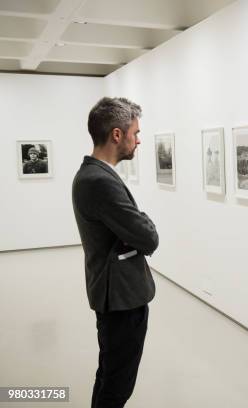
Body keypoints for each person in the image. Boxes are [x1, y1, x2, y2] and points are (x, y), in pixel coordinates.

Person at [72, 97, 159, 408]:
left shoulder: (95, 175)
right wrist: (143, 221)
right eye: (135, 133)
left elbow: (133, 230)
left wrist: (136, 224)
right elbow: (148, 237)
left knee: (110, 374)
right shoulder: (98, 181)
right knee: (117, 385)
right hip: (120, 298)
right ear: (117, 135)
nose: (139, 139)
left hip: (115, 293)